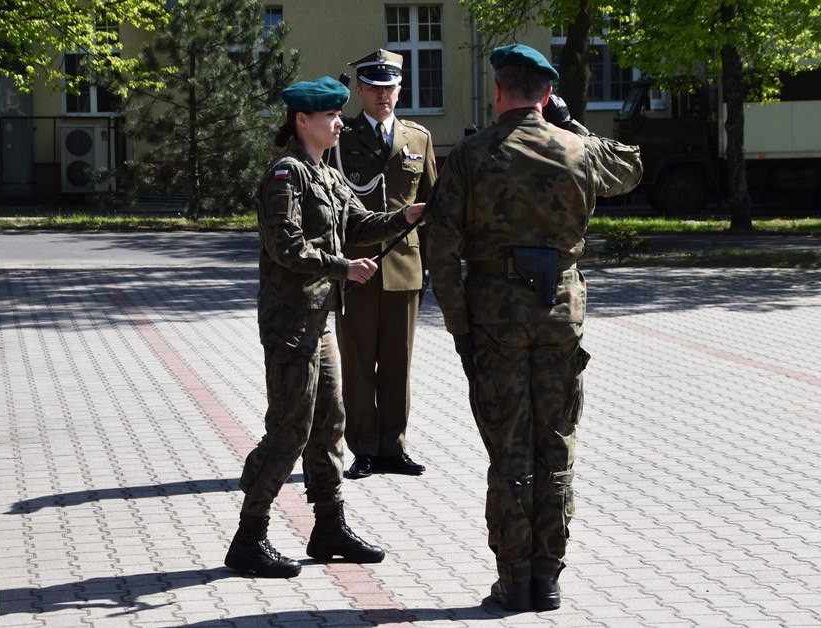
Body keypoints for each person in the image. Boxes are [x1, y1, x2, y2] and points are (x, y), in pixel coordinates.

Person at [426, 44, 643, 612]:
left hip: (494, 320)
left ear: (497, 90)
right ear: (546, 94)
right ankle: (548, 578)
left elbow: (442, 254)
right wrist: (571, 124)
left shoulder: (470, 155)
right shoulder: (578, 149)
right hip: (558, 315)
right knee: (556, 446)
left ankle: (513, 577)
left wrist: (460, 330)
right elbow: (631, 166)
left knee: (509, 449)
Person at [226, 76, 425, 579]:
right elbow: (286, 248)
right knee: (289, 431)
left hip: (320, 322)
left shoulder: (326, 174)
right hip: (290, 324)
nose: (340, 123)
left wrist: (408, 215)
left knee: (330, 425)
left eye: (338, 116)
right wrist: (344, 268)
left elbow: (358, 224)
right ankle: (248, 538)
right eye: (330, 117)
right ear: (302, 121)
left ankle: (329, 527)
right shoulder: (285, 176)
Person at [329, 49, 437, 480]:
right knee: (358, 364)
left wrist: (431, 268)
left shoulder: (418, 139)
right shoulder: (342, 136)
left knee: (398, 364)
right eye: (374, 87)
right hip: (356, 268)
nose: (383, 95)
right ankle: (364, 448)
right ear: (359, 91)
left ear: (399, 89)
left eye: (389, 87)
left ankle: (393, 447)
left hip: (405, 269)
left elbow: (433, 209)